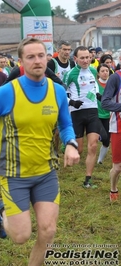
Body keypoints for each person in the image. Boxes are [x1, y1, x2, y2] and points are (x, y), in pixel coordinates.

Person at [0, 37, 80, 266]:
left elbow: (66, 125)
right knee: (21, 237)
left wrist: (71, 143)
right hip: (14, 175)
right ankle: (3, 214)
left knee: (48, 231)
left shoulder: (57, 91)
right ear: (21, 62)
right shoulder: (7, 92)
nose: (37, 61)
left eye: (41, 55)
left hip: (46, 172)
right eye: (30, 57)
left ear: (47, 58)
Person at [63, 46, 101, 188]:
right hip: (77, 112)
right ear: (75, 59)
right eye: (83, 58)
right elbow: (62, 93)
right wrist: (71, 102)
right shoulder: (70, 74)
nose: (86, 60)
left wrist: (97, 94)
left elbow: (94, 85)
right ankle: (66, 150)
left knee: (93, 146)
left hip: (92, 111)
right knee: (78, 149)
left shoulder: (92, 70)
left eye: (88, 57)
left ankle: (87, 179)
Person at [101, 68, 121, 202]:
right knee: (118, 167)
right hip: (118, 127)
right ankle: (113, 189)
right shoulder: (116, 77)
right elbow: (105, 102)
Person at [96, 64, 111, 164]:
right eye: (102, 71)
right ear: (98, 73)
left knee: (107, 141)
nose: (105, 73)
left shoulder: (112, 84)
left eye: (107, 71)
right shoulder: (94, 84)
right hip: (96, 115)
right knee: (103, 136)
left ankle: (99, 161)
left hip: (108, 115)